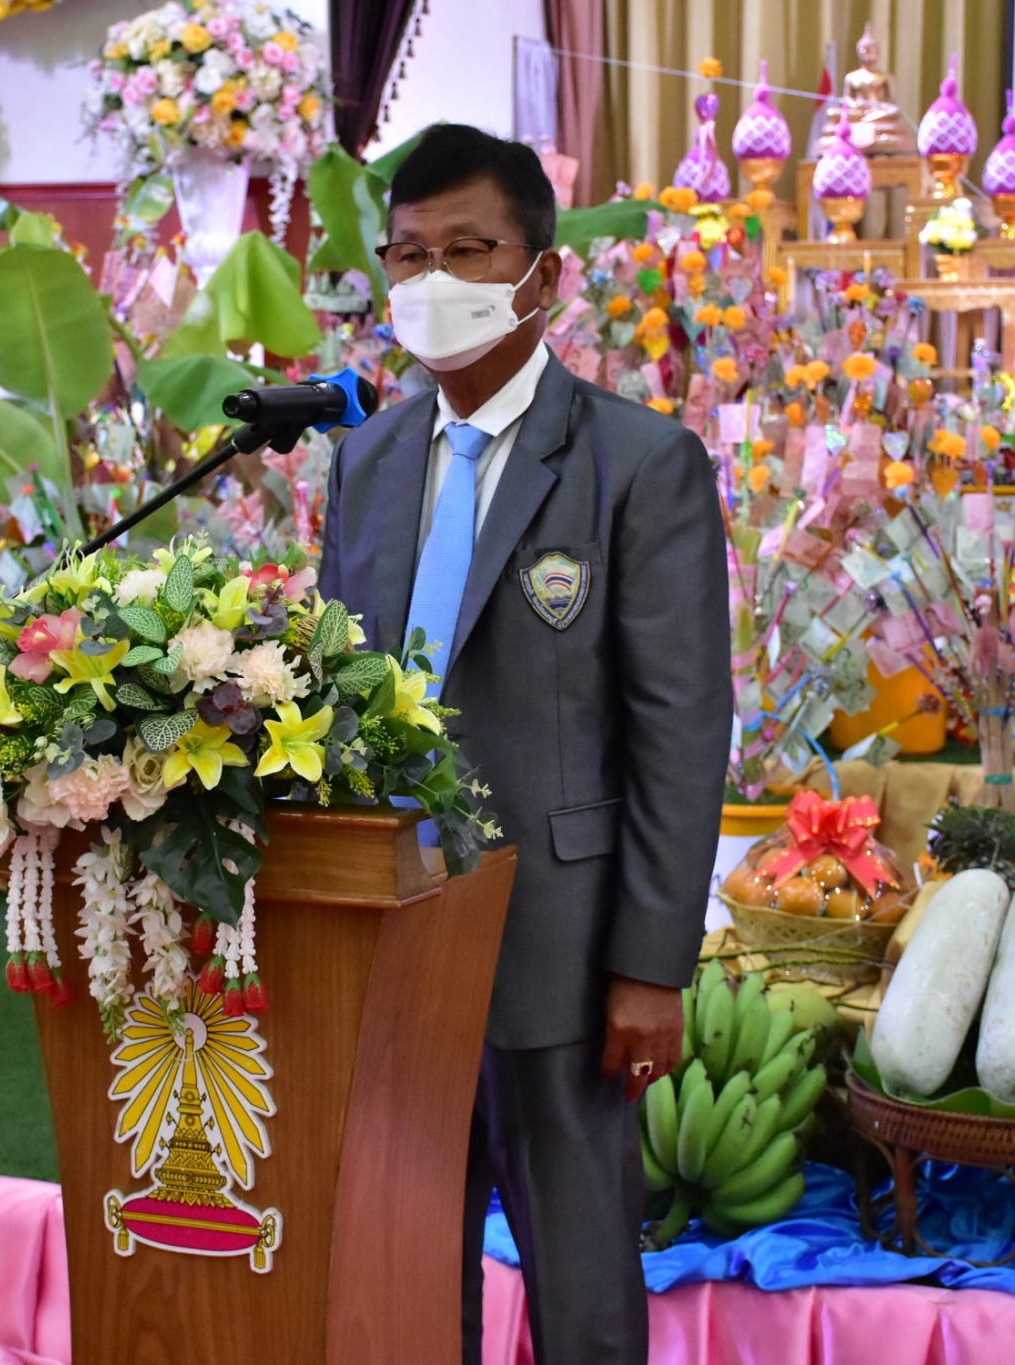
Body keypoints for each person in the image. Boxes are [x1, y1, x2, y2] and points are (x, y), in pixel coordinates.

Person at [317, 124, 729, 1365]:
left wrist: (649, 967)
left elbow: (678, 733)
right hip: (389, 929)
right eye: (408, 255)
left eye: (466, 250)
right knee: (398, 1264)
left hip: (558, 941)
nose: (432, 280)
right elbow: (339, 688)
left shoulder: (636, 464)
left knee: (580, 1283)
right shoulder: (367, 461)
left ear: (540, 273)